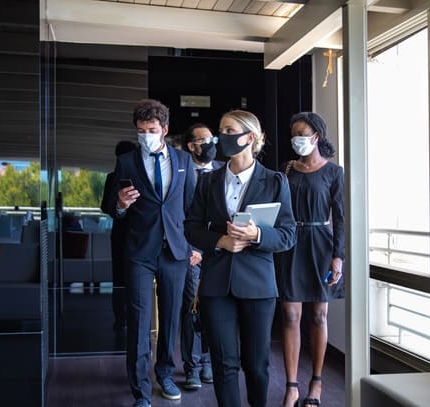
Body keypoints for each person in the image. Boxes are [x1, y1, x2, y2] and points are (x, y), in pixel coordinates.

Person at [184, 110, 297, 407]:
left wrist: (257, 235)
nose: (222, 136)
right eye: (221, 130)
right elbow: (191, 228)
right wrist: (220, 240)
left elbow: (287, 235)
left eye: (229, 129)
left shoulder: (275, 181)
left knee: (257, 365)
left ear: (249, 137)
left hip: (258, 286)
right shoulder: (208, 181)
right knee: (223, 364)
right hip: (216, 284)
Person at [102, 99, 197, 407]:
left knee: (170, 320)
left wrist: (194, 247)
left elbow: (193, 208)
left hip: (175, 252)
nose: (146, 135)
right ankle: (140, 391)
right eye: (141, 130)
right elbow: (110, 208)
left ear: (164, 129)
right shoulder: (126, 162)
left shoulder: (184, 161)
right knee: (140, 322)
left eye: (152, 129)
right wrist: (121, 203)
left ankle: (166, 375)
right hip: (140, 253)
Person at [275, 112, 344, 407]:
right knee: (290, 315)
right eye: (293, 134)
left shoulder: (333, 172)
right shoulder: (287, 169)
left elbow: (340, 218)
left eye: (301, 133)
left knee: (318, 315)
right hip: (290, 244)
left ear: (316, 136)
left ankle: (316, 382)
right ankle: (291, 386)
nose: (296, 140)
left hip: (320, 245)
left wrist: (338, 256)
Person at [179, 123, 225, 389]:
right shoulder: (181, 171)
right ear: (191, 146)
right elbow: (177, 215)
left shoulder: (223, 170)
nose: (210, 143)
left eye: (212, 138)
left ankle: (209, 362)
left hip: (219, 251)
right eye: (203, 140)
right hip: (190, 253)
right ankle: (192, 367)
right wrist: (191, 249)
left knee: (215, 309)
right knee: (190, 309)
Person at [101, 140, 138, 333]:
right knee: (122, 277)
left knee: (124, 277)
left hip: (127, 233)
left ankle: (123, 318)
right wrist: (121, 203)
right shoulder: (113, 178)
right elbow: (106, 207)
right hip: (122, 233)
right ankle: (122, 318)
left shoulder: (139, 177)